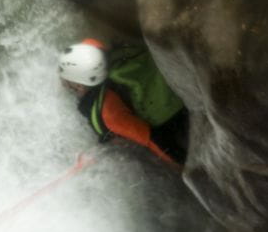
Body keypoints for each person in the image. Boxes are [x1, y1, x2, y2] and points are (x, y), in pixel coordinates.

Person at [58, 38, 189, 165]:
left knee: (123, 141)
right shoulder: (94, 53)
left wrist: (180, 166)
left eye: (66, 79)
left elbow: (153, 139)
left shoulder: (109, 113)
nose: (62, 81)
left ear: (80, 86)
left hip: (171, 115)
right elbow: (89, 44)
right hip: (170, 79)